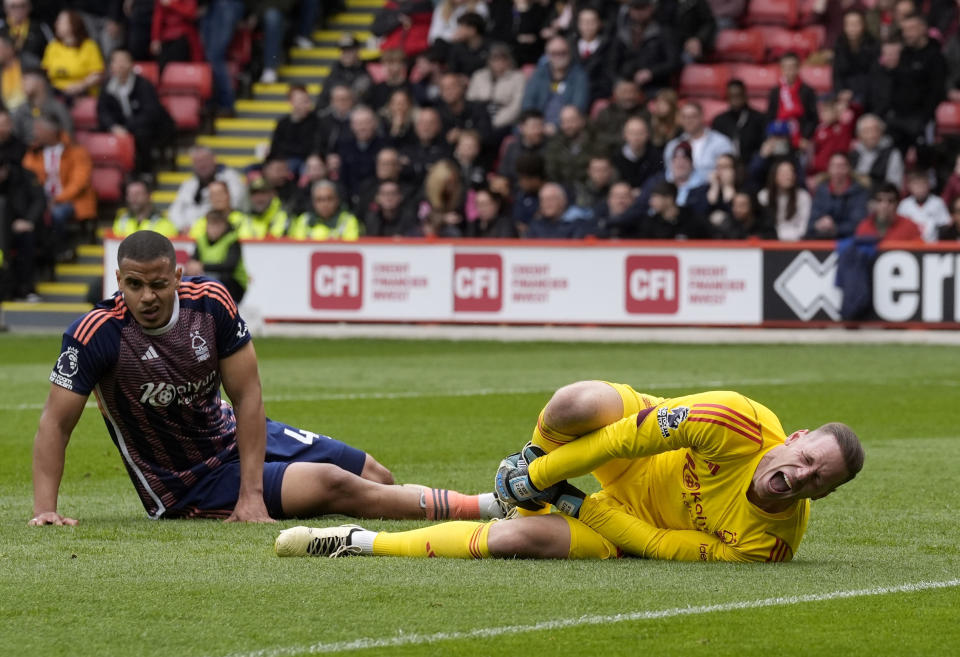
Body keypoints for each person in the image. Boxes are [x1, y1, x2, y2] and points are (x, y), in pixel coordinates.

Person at [30, 231, 505, 525]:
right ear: (118, 279)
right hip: (188, 482)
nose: (147, 296)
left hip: (234, 437)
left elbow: (248, 396)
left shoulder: (211, 303)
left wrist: (253, 494)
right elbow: (55, 423)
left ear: (178, 275)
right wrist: (44, 510)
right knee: (330, 483)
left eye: (158, 284)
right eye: (134, 285)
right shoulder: (96, 334)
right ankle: (486, 508)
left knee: (374, 474)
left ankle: (437, 508)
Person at [276, 381, 864, 562]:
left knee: (515, 538)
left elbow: (660, 544)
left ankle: (355, 543)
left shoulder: (771, 545)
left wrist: (581, 506)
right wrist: (541, 469)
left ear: (825, 496)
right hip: (630, 452)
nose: (803, 476)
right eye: (808, 460)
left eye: (819, 482)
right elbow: (627, 435)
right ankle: (518, 475)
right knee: (577, 402)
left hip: (620, 525)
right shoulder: (734, 420)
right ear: (795, 438)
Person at [21, 113, 95, 256]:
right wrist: (41, 200)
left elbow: (79, 182)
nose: (35, 133)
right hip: (42, 199)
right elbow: (27, 177)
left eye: (38, 129)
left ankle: (61, 249)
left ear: (51, 132)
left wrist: (56, 199)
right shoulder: (33, 153)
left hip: (71, 199)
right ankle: (42, 253)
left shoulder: (76, 151)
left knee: (56, 214)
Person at [97, 48, 175, 174]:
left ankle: (145, 173)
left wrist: (126, 128)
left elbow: (150, 113)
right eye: (116, 62)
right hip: (120, 129)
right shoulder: (107, 87)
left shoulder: (144, 85)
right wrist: (113, 127)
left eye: (123, 61)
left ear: (131, 64)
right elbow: (102, 111)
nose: (120, 65)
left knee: (142, 135)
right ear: (111, 66)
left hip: (148, 128)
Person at [168, 146, 248, 233]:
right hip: (191, 232)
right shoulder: (189, 183)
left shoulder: (230, 178)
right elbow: (174, 210)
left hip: (221, 227)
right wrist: (182, 226)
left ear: (214, 159)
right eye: (197, 162)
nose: (202, 165)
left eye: (205, 160)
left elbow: (233, 203)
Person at [0, 153, 44, 301]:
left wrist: (28, 220)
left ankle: (25, 288)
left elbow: (39, 200)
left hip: (21, 226)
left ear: (5, 168)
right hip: (3, 228)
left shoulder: (24, 177)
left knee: (26, 240)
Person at [520, 36, 589, 129]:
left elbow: (578, 106)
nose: (558, 56)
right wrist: (536, 124)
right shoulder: (539, 73)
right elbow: (528, 102)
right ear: (547, 55)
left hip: (566, 127)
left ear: (569, 53)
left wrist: (556, 126)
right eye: (554, 53)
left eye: (563, 53)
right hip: (537, 125)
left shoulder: (579, 76)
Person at [466, 42, 526, 144]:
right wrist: (481, 123)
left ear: (509, 60)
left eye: (502, 59)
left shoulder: (518, 77)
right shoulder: (478, 76)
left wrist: (493, 123)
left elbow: (516, 106)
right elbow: (470, 100)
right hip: (479, 119)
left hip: (503, 122)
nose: (498, 63)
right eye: (494, 59)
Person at [184, 208, 248, 303]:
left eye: (217, 225)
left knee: (223, 279)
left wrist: (203, 266)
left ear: (225, 226)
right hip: (211, 281)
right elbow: (194, 261)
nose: (213, 229)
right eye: (211, 225)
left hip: (234, 285)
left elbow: (229, 266)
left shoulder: (232, 240)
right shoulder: (201, 240)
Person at [41, 10, 104, 101]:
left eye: (61, 21)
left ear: (72, 24)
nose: (56, 24)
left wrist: (81, 85)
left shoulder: (89, 46)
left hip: (83, 94)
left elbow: (98, 75)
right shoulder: (53, 47)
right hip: (56, 94)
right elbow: (44, 72)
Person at [663, 101, 734, 181]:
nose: (688, 121)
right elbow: (669, 175)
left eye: (692, 116)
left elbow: (727, 173)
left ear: (702, 117)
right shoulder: (673, 145)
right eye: (684, 117)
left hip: (710, 189)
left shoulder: (721, 142)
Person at [806, 152, 869, 240]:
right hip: (821, 241)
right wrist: (818, 224)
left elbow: (859, 224)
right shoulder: (821, 191)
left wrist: (835, 228)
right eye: (834, 166)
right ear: (828, 169)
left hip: (849, 242)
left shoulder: (859, 191)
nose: (838, 170)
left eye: (841, 166)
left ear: (848, 168)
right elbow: (810, 223)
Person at [765, 52, 818, 145]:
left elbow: (813, 118)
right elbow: (770, 116)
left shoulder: (807, 91)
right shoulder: (775, 91)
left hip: (801, 139)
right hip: (779, 138)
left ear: (798, 68)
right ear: (781, 69)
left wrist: (805, 137)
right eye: (786, 67)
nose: (789, 70)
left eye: (793, 66)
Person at [711, 79, 766, 167]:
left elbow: (763, 147)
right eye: (732, 95)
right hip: (726, 168)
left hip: (751, 167)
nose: (735, 99)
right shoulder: (719, 121)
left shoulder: (759, 119)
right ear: (727, 97)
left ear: (745, 95)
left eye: (738, 95)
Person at [11, 67, 71, 145]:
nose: (22, 84)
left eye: (26, 80)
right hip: (28, 154)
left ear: (40, 81)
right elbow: (13, 138)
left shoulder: (57, 108)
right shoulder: (21, 110)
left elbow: (69, 137)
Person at [267, 85, 320, 173]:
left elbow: (310, 147)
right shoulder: (282, 123)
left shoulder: (316, 121)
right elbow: (275, 147)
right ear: (291, 102)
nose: (306, 104)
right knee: (253, 169)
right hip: (283, 160)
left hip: (303, 161)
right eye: (301, 101)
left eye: (306, 100)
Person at [757, 159, 811, 242]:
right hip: (770, 242)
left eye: (791, 172)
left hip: (796, 242)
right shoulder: (763, 196)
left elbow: (803, 228)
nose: (788, 176)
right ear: (774, 176)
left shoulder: (803, 196)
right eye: (784, 173)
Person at [288, 180, 361, 241]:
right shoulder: (304, 220)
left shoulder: (348, 220)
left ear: (337, 200)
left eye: (329, 199)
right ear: (313, 202)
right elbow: (298, 247)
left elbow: (350, 248)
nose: (324, 204)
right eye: (319, 200)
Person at [849, 114, 904, 191]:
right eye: (866, 131)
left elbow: (895, 186)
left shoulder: (892, 153)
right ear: (859, 135)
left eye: (875, 130)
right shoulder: (853, 153)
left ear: (881, 132)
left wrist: (872, 184)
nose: (871, 135)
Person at [854, 181, 922, 243]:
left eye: (890, 201)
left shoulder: (910, 227)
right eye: (879, 200)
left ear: (897, 204)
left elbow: (919, 252)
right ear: (873, 204)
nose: (885, 205)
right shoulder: (864, 227)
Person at [543, 104, 591, 189]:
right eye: (564, 122)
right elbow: (551, 171)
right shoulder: (555, 143)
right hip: (563, 188)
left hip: (589, 188)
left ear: (582, 121)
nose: (568, 126)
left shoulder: (594, 140)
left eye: (571, 121)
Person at [896, 171, 951, 243]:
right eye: (916, 184)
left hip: (932, 246)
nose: (920, 188)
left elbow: (946, 224)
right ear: (909, 186)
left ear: (928, 185)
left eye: (923, 184)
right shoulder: (904, 204)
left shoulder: (937, 202)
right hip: (909, 245)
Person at [112, 179, 178, 238]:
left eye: (138, 194)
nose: (133, 198)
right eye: (130, 194)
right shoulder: (121, 221)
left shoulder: (165, 224)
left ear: (148, 196)